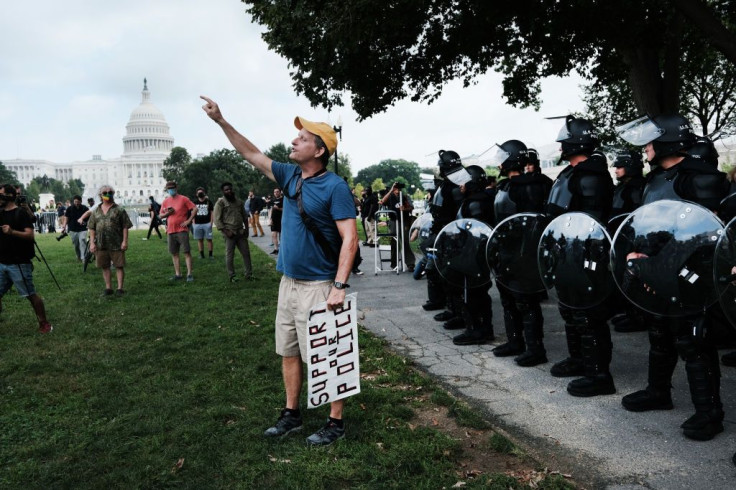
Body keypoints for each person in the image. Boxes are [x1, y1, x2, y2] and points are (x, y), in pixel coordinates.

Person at [202, 95, 358, 447]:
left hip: (320, 285)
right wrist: (222, 121)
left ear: (319, 151)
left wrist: (339, 285)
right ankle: (292, 413)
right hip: (288, 283)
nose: (294, 141)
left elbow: (350, 239)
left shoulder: (335, 187)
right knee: (288, 350)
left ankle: (335, 421)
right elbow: (251, 153)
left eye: (302, 138)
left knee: (328, 353)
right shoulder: (289, 175)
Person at [617, 114, 730, 440]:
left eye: (652, 141)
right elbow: (648, 224)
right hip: (656, 271)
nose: (646, 147)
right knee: (660, 331)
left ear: (667, 141)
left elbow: (704, 234)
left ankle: (709, 414)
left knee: (694, 340)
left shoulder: (700, 178)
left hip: (689, 271)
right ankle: (658, 392)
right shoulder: (655, 180)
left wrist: (664, 262)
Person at [545, 116, 615, 397]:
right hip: (566, 253)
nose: (561, 144)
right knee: (570, 310)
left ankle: (599, 375)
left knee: (588, 315)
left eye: (565, 140)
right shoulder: (572, 173)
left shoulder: (591, 175)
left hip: (583, 254)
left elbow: (591, 221)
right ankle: (579, 360)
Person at [490, 140, 551, 366]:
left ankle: (536, 349)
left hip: (525, 251)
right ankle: (515, 341)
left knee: (526, 301)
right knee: (508, 299)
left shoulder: (531, 185)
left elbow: (533, 220)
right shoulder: (505, 186)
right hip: (505, 250)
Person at [449, 165, 495, 345]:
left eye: (464, 182)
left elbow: (477, 229)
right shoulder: (475, 199)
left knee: (476, 292)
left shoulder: (477, 202)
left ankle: (479, 331)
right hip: (472, 254)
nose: (461, 185)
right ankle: (477, 328)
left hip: (475, 254)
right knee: (474, 291)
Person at [0, 184, 53, 333]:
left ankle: (44, 323)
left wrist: (12, 232)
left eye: (1, 195)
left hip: (19, 263)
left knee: (30, 294)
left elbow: (30, 235)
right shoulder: (0, 213)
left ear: (10, 196)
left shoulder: (20, 213)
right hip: (2, 262)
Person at [87, 185, 133, 296]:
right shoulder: (96, 211)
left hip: (116, 243)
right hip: (101, 244)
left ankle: (120, 288)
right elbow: (92, 227)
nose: (108, 194)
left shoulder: (119, 210)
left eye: (110, 192)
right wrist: (92, 242)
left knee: (119, 265)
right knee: (105, 266)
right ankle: (108, 288)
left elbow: (125, 226)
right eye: (105, 192)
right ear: (100, 196)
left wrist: (125, 241)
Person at [213, 182, 252, 282]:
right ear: (223, 191)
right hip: (229, 232)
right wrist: (226, 232)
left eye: (230, 189)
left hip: (240, 231)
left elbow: (244, 216)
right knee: (230, 255)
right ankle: (232, 276)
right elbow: (217, 220)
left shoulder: (238, 201)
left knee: (246, 253)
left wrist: (246, 230)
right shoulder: (220, 202)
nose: (229, 191)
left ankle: (249, 274)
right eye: (226, 190)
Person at [160, 181, 196, 282]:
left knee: (186, 252)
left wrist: (189, 221)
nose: (171, 190)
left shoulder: (183, 199)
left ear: (176, 188)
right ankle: (178, 274)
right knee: (174, 253)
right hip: (170, 230)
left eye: (172, 188)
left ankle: (189, 274)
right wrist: (168, 213)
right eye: (169, 188)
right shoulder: (166, 201)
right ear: (167, 190)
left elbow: (194, 208)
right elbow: (161, 215)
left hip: (182, 230)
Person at [380, 182, 415, 272]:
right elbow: (382, 201)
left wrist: (405, 208)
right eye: (395, 188)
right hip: (393, 221)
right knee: (394, 242)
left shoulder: (404, 197)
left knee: (405, 241)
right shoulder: (390, 197)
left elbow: (411, 207)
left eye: (398, 188)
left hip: (404, 221)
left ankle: (410, 263)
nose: (397, 190)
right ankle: (394, 264)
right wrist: (391, 190)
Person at [63, 195, 89, 262]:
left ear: (81, 201)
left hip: (82, 228)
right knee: (76, 244)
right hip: (73, 229)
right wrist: (64, 226)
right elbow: (66, 218)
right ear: (73, 201)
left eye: (78, 202)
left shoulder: (85, 208)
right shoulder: (69, 209)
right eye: (75, 201)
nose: (76, 203)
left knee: (83, 240)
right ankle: (79, 256)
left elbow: (89, 218)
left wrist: (87, 224)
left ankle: (84, 258)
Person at [192, 187, 215, 259]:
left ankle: (210, 255)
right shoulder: (194, 202)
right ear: (196, 194)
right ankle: (201, 255)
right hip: (197, 224)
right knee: (200, 239)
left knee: (209, 239)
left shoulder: (208, 201)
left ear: (204, 193)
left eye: (201, 192)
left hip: (207, 223)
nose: (200, 194)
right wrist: (193, 223)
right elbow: (192, 213)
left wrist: (211, 223)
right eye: (199, 193)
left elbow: (212, 212)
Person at [269, 187, 283, 255]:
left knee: (282, 236)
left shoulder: (283, 199)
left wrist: (278, 208)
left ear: (280, 192)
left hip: (281, 220)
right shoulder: (273, 200)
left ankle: (283, 250)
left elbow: (285, 210)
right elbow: (271, 210)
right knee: (273, 235)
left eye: (277, 191)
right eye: (274, 192)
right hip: (274, 220)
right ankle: (276, 249)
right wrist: (270, 219)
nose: (276, 193)